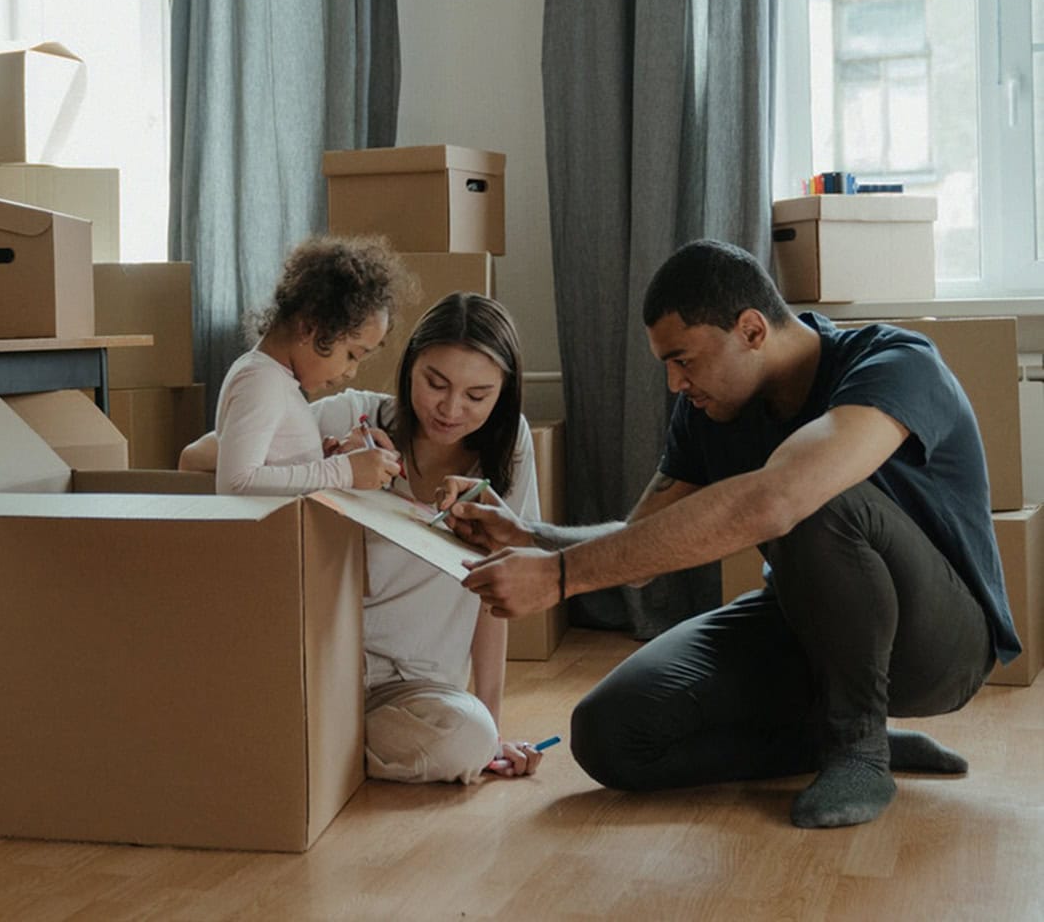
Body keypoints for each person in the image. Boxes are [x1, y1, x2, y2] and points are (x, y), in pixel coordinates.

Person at [449, 239, 1020, 828]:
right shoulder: (708, 410)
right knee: (610, 734)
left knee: (813, 496)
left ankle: (859, 748)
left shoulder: (896, 363)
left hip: (940, 647)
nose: (674, 384)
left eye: (684, 360)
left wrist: (560, 578)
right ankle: (832, 739)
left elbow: (780, 499)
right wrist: (531, 538)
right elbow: (642, 544)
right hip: (807, 626)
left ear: (751, 329)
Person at [182, 292, 547, 784]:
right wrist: (330, 465)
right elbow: (196, 458)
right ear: (409, 366)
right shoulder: (351, 416)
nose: (451, 408)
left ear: (503, 393)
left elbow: (495, 595)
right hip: (324, 668)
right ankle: (314, 745)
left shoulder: (510, 450)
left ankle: (310, 749)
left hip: (414, 691)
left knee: (469, 738)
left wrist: (494, 727)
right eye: (434, 383)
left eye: (477, 396)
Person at [209, 235, 407, 495]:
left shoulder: (275, 379)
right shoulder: (261, 381)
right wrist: (343, 471)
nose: (352, 372)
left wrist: (318, 462)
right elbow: (236, 483)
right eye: (351, 355)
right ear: (309, 327)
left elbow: (273, 471)